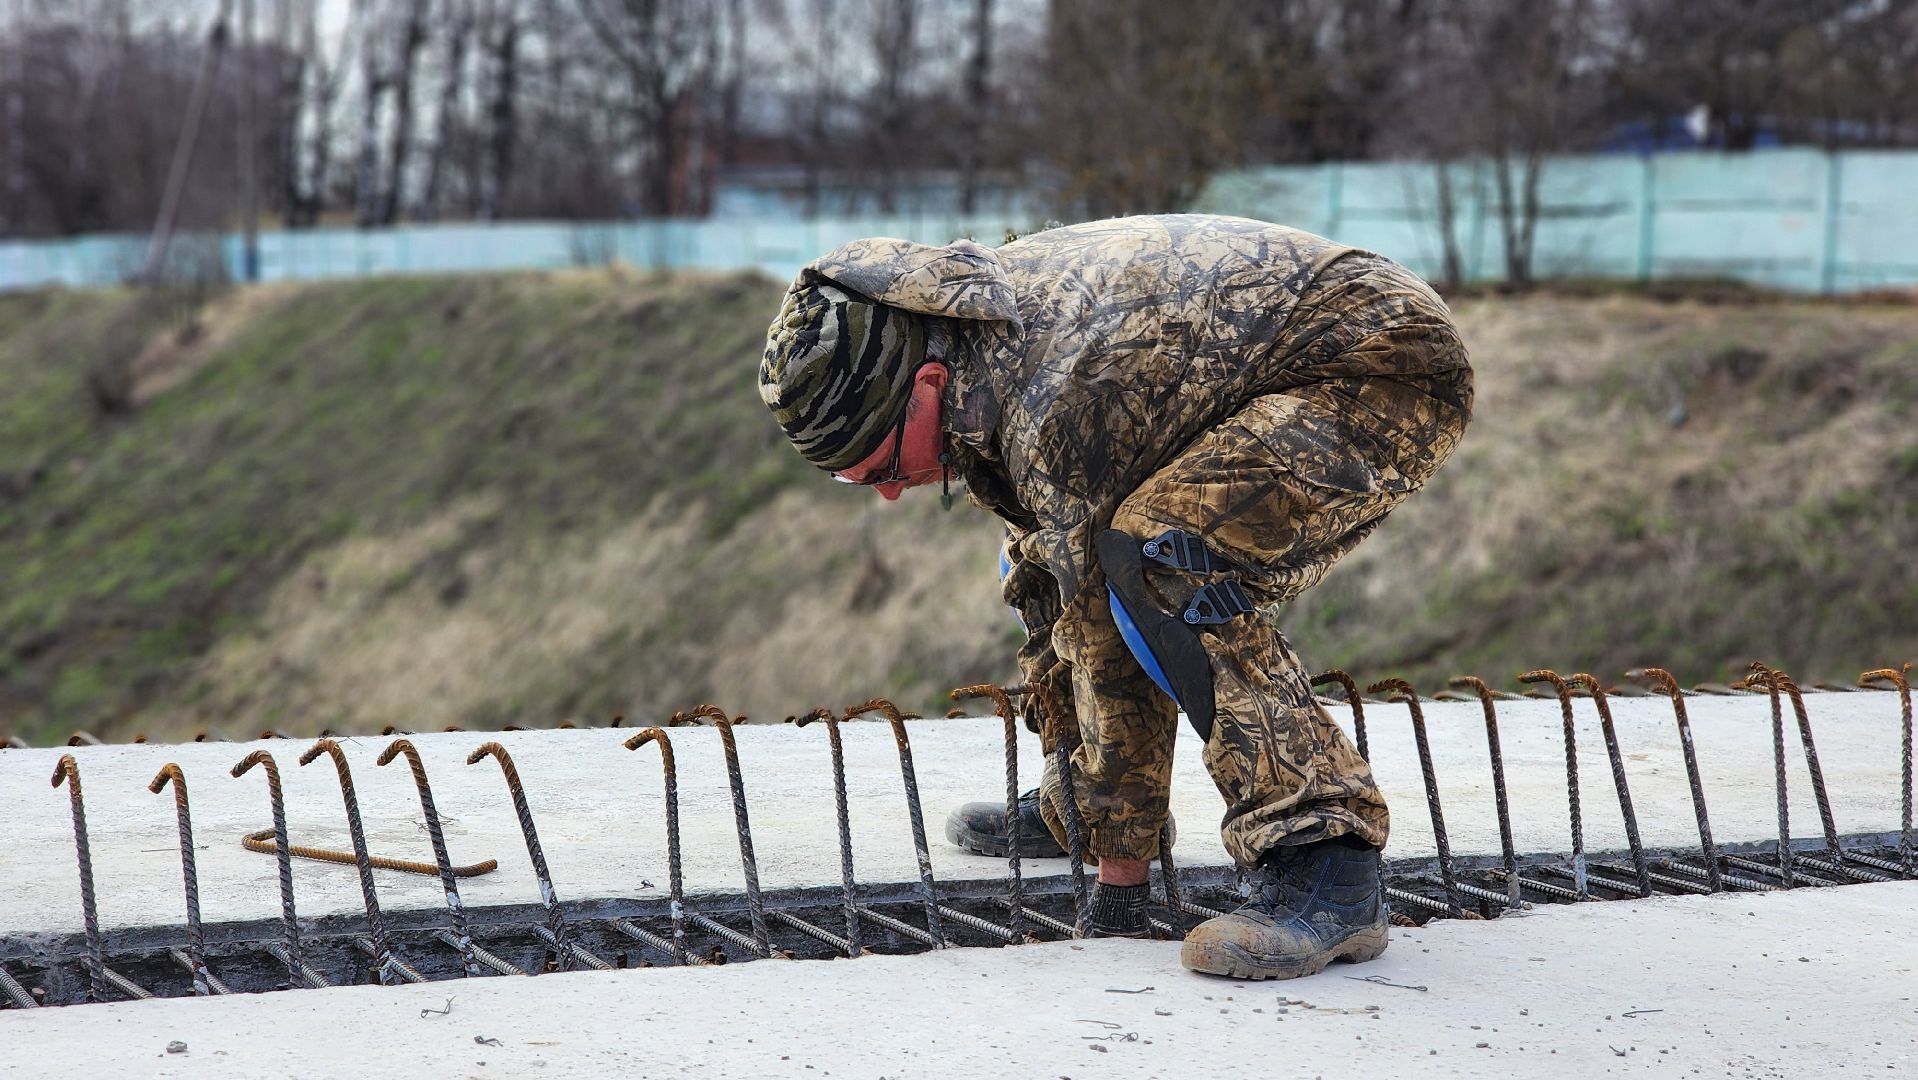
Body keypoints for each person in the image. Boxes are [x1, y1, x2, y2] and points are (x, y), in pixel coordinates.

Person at [757, 214, 1471, 980]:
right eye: (856, 481)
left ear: (927, 388)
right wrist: (1096, 808)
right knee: (1037, 554)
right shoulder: (965, 340)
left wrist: (1119, 874)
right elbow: (1060, 572)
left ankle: (1326, 858)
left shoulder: (1051, 401)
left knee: (1162, 562)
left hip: (1374, 362)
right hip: (1265, 355)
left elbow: (1103, 617)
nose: (891, 493)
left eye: (881, 466)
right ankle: (1082, 796)